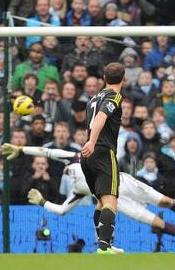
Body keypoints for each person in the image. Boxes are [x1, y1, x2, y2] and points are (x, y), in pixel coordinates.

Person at [1, 143, 175, 248]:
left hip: (125, 182)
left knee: (165, 201)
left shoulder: (74, 158)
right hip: (117, 201)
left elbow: (46, 151)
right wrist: (43, 202)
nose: (67, 174)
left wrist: (21, 149)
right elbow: (62, 210)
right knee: (155, 222)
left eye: (66, 172)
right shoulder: (77, 191)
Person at [80, 62, 124, 254]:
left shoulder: (93, 98)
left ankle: (104, 243)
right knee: (110, 202)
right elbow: (101, 117)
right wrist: (92, 141)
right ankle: (103, 247)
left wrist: (89, 143)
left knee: (100, 202)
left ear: (104, 79)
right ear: (124, 79)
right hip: (102, 151)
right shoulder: (114, 96)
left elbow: (91, 121)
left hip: (88, 156)